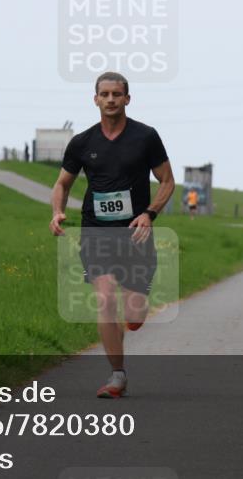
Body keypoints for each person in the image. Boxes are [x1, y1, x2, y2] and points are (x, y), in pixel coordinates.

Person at [50, 72, 175, 398]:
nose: (110, 99)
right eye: (104, 94)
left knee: (133, 314)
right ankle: (117, 375)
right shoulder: (82, 142)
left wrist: (149, 214)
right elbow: (63, 183)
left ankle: (135, 316)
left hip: (135, 234)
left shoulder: (145, 137)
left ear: (127, 99)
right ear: (95, 99)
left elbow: (167, 181)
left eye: (116, 94)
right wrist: (57, 212)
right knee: (105, 299)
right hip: (96, 233)